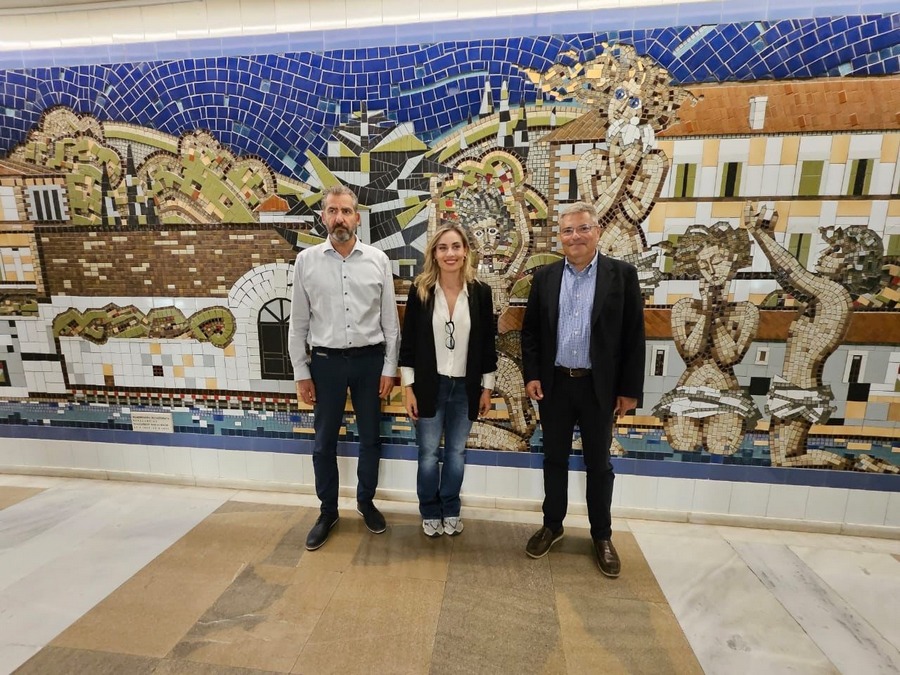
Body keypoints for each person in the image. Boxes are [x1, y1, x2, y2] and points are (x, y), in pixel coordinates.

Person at [522, 201, 645, 577]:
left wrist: (629, 390)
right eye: (567, 230)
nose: (575, 236)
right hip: (555, 385)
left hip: (598, 388)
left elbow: (633, 336)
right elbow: (531, 332)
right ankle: (552, 525)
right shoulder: (545, 278)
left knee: (599, 465)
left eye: (583, 228)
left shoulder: (621, 275)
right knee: (554, 460)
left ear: (597, 231)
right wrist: (532, 375)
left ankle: (602, 536)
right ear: (560, 237)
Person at [288, 185, 400, 551]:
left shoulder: (378, 260)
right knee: (323, 443)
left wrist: (389, 367)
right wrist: (301, 372)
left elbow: (390, 323)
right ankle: (328, 511)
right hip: (326, 364)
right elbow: (298, 324)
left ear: (357, 218)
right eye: (333, 211)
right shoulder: (306, 262)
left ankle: (366, 503)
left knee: (370, 438)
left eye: (346, 211)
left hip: (370, 362)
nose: (340, 218)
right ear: (323, 217)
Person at [399, 223, 497, 537]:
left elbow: (487, 344)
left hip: (466, 388)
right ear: (434, 254)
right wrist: (408, 388)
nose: (450, 253)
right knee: (428, 453)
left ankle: (451, 508)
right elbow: (408, 344)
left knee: (456, 453)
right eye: (443, 248)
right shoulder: (421, 290)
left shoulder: (480, 293)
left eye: (455, 246)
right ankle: (430, 510)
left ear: (465, 251)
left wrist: (487, 388)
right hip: (430, 385)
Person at [652, 222, 760, 454]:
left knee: (721, 447)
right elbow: (690, 353)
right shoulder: (684, 308)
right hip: (688, 389)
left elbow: (728, 357)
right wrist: (706, 310)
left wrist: (716, 313)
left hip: (726, 392)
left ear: (733, 259)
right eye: (703, 264)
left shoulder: (746, 312)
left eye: (717, 261)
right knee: (683, 444)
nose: (711, 270)